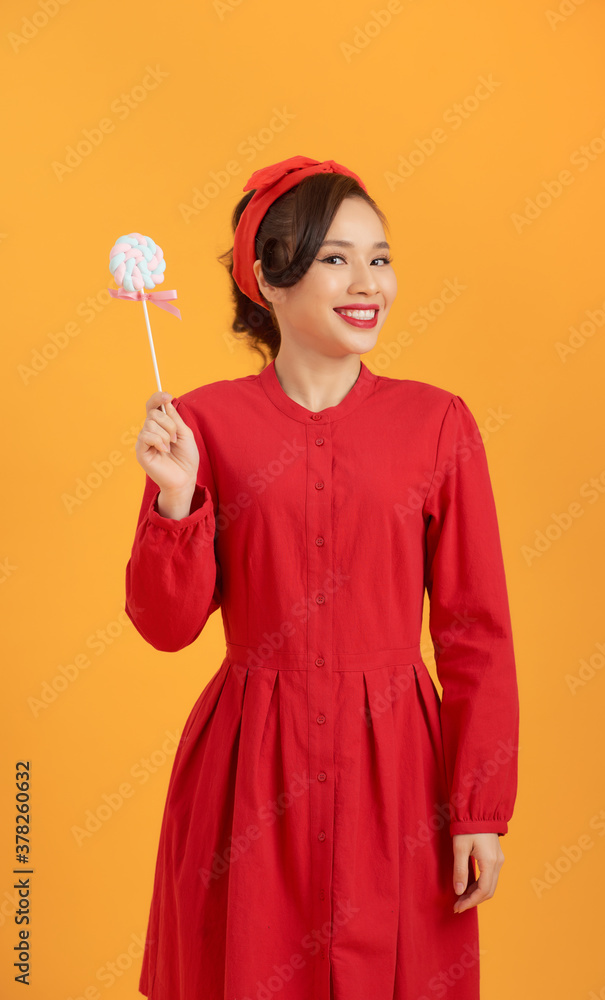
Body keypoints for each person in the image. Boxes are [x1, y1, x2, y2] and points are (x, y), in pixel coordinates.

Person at [125, 155, 520, 1000]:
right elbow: (166, 626)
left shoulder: (437, 423)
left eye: (378, 257)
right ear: (267, 277)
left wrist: (480, 810)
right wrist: (174, 498)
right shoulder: (200, 422)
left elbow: (474, 629)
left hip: (399, 776)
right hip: (245, 774)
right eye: (335, 258)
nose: (366, 281)